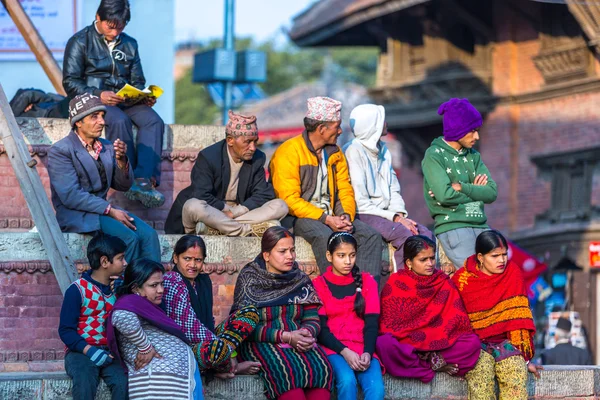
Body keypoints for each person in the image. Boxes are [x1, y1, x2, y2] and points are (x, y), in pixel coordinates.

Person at [269, 96, 383, 283]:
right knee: (325, 236)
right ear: (321, 129)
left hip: (333, 214)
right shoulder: (288, 152)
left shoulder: (335, 153)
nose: (340, 131)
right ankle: (336, 291)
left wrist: (345, 215)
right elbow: (289, 200)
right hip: (301, 217)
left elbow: (345, 189)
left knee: (370, 236)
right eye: (336, 126)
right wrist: (326, 219)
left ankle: (366, 295)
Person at [63, 0, 165, 208]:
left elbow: (138, 81)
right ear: (98, 18)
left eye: (121, 26)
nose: (116, 31)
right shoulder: (79, 41)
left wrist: (143, 96)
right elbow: (70, 82)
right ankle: (126, 177)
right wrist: (99, 95)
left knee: (154, 121)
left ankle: (144, 180)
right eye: (111, 26)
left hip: (124, 99)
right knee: (118, 120)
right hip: (94, 101)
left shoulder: (130, 44)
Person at [48, 93, 161, 264]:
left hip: (103, 211)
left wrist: (122, 160)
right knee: (128, 238)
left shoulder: (107, 146)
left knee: (150, 235)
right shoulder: (61, 150)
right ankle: (127, 288)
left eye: (102, 116)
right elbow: (70, 195)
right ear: (78, 122)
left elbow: (123, 186)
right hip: (77, 214)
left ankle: (152, 285)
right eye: (94, 117)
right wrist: (109, 210)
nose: (102, 121)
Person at [376, 235, 492, 398]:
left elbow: (458, 322)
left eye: (432, 258)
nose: (430, 264)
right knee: (384, 344)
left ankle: (429, 362)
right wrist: (422, 351)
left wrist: (434, 346)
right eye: (423, 260)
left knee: (471, 343)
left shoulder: (443, 282)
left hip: (441, 345)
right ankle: (430, 363)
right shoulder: (396, 283)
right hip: (409, 347)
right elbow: (388, 326)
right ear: (409, 262)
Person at [231, 226, 333, 400]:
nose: (290, 256)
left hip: (297, 339)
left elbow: (312, 316)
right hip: (261, 341)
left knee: (322, 367)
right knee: (284, 369)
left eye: (292, 250)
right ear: (266, 255)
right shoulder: (250, 278)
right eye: (282, 251)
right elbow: (242, 327)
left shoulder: (299, 278)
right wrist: (285, 336)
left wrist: (307, 332)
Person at [165, 110, 288, 236]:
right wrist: (225, 210)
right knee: (193, 205)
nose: (253, 147)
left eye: (255, 141)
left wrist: (235, 212)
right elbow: (201, 194)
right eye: (247, 142)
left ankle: (215, 229)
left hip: (236, 213)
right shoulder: (208, 157)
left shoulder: (257, 158)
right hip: (212, 211)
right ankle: (245, 230)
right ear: (230, 140)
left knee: (281, 206)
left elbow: (263, 193)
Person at [452, 230, 543, 400]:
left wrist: (525, 359)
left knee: (515, 371)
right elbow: (455, 321)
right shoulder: (462, 280)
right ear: (480, 257)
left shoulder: (512, 272)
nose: (502, 260)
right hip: (474, 344)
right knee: (481, 372)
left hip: (504, 342)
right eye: (495, 256)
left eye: (504, 254)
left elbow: (518, 320)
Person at [344, 104, 433, 269]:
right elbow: (360, 201)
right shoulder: (352, 151)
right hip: (363, 212)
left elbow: (393, 188)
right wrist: (396, 219)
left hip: (388, 214)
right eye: (381, 120)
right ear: (373, 125)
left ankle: (428, 285)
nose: (386, 123)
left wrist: (399, 214)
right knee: (404, 235)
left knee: (424, 234)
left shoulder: (383, 150)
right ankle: (402, 284)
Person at [162, 234, 261, 378]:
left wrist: (225, 347)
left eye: (198, 260)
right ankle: (227, 367)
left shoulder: (203, 281)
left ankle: (222, 364)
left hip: (209, 340)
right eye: (187, 259)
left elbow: (208, 321)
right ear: (176, 258)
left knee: (250, 313)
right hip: (186, 348)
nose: (193, 265)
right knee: (216, 350)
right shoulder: (172, 281)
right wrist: (228, 351)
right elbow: (191, 329)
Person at [107, 258, 204, 399]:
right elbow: (121, 317)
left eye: (162, 284)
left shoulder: (144, 305)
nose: (161, 290)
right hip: (156, 386)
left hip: (169, 384)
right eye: (154, 285)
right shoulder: (129, 301)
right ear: (135, 288)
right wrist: (145, 347)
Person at [421, 98, 497, 274]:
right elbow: (444, 195)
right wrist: (477, 190)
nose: (477, 137)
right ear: (458, 130)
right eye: (472, 131)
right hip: (454, 228)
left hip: (481, 225)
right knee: (477, 278)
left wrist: (463, 187)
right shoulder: (434, 156)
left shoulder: (474, 156)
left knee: (501, 274)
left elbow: (492, 193)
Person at [313, 232, 384, 400]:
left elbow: (372, 323)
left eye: (352, 255)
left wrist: (367, 352)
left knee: (376, 388)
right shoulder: (318, 285)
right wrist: (345, 352)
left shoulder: (367, 282)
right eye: (341, 255)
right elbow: (321, 329)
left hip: (363, 347)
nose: (348, 261)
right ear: (329, 256)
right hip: (334, 349)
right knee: (346, 381)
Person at [58, 233, 128, 400]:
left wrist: (123, 290)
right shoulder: (77, 290)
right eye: (120, 258)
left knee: (123, 383)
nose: (125, 263)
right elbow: (65, 331)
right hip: (80, 352)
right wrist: (90, 351)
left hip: (110, 352)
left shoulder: (119, 288)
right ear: (105, 262)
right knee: (84, 381)